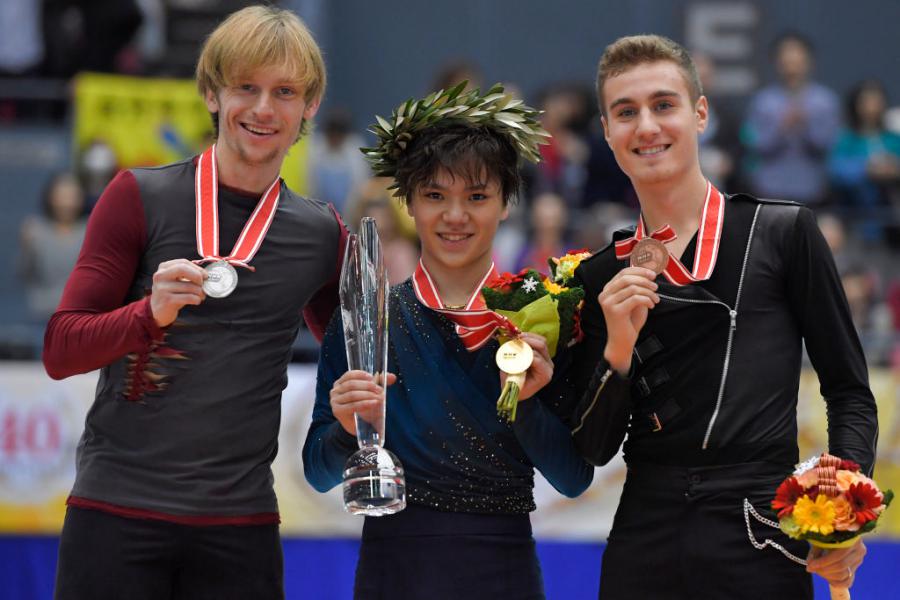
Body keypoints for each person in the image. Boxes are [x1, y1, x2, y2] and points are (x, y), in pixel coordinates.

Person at [43, 6, 344, 599]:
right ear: (211, 93)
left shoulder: (322, 235)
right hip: (116, 513)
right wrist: (145, 313)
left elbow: (357, 351)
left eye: (285, 92)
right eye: (246, 88)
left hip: (241, 528)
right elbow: (60, 349)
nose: (263, 109)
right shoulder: (137, 196)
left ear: (309, 106)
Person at [568, 35, 878, 599]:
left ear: (700, 113)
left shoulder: (784, 232)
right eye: (626, 112)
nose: (647, 126)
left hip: (760, 530)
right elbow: (593, 450)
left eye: (664, 105)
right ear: (609, 133)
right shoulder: (600, 274)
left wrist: (841, 510)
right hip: (645, 534)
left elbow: (849, 390)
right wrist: (616, 349)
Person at [303, 85, 593, 600]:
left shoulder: (539, 317)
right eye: (435, 195)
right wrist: (347, 428)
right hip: (394, 570)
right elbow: (318, 472)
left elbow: (573, 479)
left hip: (503, 571)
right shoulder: (368, 320)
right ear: (408, 202)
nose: (455, 216)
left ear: (506, 204)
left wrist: (524, 404)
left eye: (477, 197)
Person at [742, 32, 840, 206]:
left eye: (798, 59)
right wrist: (781, 127)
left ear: (809, 61)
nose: (792, 66)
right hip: (770, 189)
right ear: (776, 63)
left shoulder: (825, 101)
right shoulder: (763, 101)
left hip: (813, 189)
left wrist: (806, 124)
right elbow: (755, 145)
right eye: (786, 59)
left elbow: (827, 145)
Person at [829, 79, 900, 244]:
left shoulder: (893, 140)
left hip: (892, 220)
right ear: (856, 104)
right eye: (866, 101)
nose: (871, 106)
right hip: (856, 219)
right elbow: (835, 171)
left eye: (876, 100)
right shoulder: (846, 140)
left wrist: (894, 169)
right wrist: (866, 169)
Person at [17, 171, 87, 322]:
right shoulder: (35, 230)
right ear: (50, 197)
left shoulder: (90, 230)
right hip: (41, 311)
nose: (67, 202)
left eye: (72, 195)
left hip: (79, 313)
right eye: (62, 195)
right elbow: (25, 273)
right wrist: (27, 248)